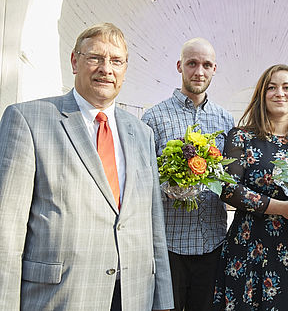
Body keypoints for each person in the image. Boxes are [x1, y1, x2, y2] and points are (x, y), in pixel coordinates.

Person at [0, 23, 173, 310]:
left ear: (125, 70)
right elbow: (6, 227)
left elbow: (153, 222)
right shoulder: (28, 120)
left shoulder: (141, 133)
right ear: (74, 61)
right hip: (62, 296)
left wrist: (163, 300)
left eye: (116, 61)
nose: (106, 68)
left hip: (132, 296)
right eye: (95, 57)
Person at [213, 64, 288, 310]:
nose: (280, 93)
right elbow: (228, 189)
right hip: (252, 245)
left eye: (286, 87)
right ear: (261, 95)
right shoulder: (241, 137)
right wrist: (280, 208)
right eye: (272, 87)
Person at [141, 37, 234, 311]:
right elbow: (142, 179)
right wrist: (170, 185)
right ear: (180, 66)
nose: (199, 71)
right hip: (170, 245)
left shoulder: (224, 120)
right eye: (192, 63)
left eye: (206, 65)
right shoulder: (154, 117)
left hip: (212, 244)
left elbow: (229, 178)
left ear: (214, 69)